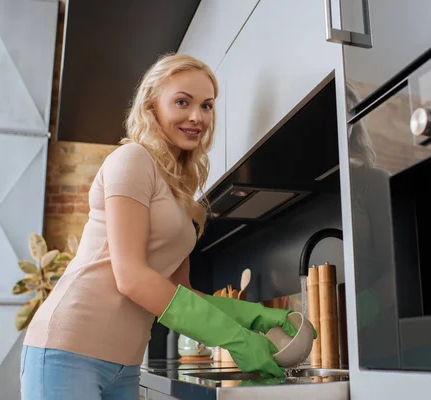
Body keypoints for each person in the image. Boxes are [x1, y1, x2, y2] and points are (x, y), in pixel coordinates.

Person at [20, 53, 299, 400]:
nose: (197, 116)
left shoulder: (179, 192)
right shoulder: (132, 160)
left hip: (125, 363)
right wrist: (235, 339)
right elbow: (131, 276)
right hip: (70, 349)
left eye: (207, 106)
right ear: (152, 106)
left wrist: (251, 316)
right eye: (182, 102)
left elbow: (179, 292)